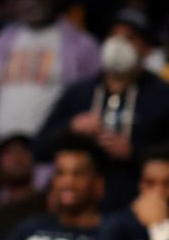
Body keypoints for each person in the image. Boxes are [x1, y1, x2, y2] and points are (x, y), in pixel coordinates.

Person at [0, 0, 99, 165]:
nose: (31, 1)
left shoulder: (82, 45)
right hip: (3, 155)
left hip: (55, 155)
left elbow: (88, 101)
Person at [34, 17, 169, 211]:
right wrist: (72, 127)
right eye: (113, 36)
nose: (118, 44)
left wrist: (135, 153)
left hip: (136, 205)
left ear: (147, 48)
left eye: (129, 38)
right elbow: (39, 149)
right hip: (79, 210)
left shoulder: (162, 96)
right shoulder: (80, 93)